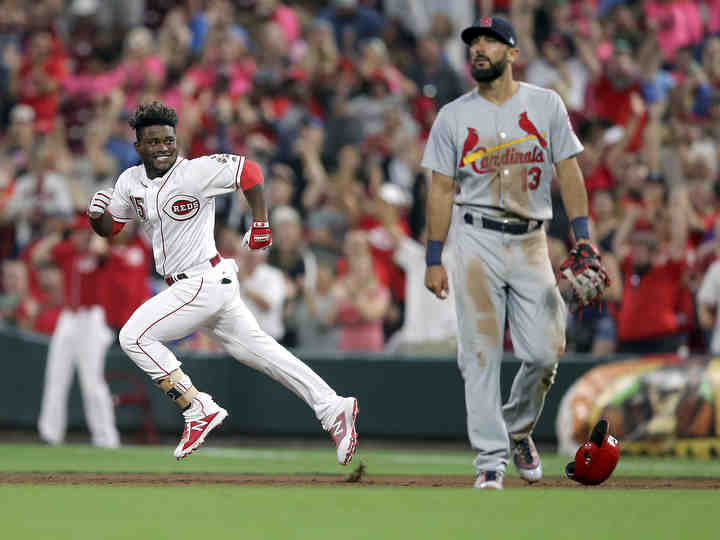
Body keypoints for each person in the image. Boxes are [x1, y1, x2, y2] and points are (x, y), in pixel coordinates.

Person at [86, 102, 358, 463]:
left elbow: (250, 171)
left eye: (168, 139)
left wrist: (261, 223)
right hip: (198, 285)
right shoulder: (129, 181)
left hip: (201, 279)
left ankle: (196, 406)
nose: (164, 146)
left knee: (133, 336)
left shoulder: (195, 172)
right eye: (153, 141)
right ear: (138, 147)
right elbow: (112, 229)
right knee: (263, 353)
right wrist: (95, 217)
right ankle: (332, 406)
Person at [421, 16, 608, 490]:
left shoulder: (545, 104)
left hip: (531, 241)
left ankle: (517, 427)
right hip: (475, 238)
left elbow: (569, 173)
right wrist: (433, 257)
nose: (479, 49)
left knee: (546, 352)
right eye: (474, 42)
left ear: (513, 52)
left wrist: (583, 236)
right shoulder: (453, 116)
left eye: (490, 41)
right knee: (480, 355)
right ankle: (489, 459)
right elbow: (441, 190)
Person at [34, 215, 120, 449]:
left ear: (89, 233)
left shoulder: (96, 252)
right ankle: (50, 433)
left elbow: (103, 251)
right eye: (73, 233)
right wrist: (56, 235)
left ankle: (106, 438)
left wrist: (94, 234)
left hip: (91, 319)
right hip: (68, 317)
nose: (76, 236)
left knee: (92, 381)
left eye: (80, 232)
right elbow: (38, 256)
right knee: (56, 376)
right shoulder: (67, 251)